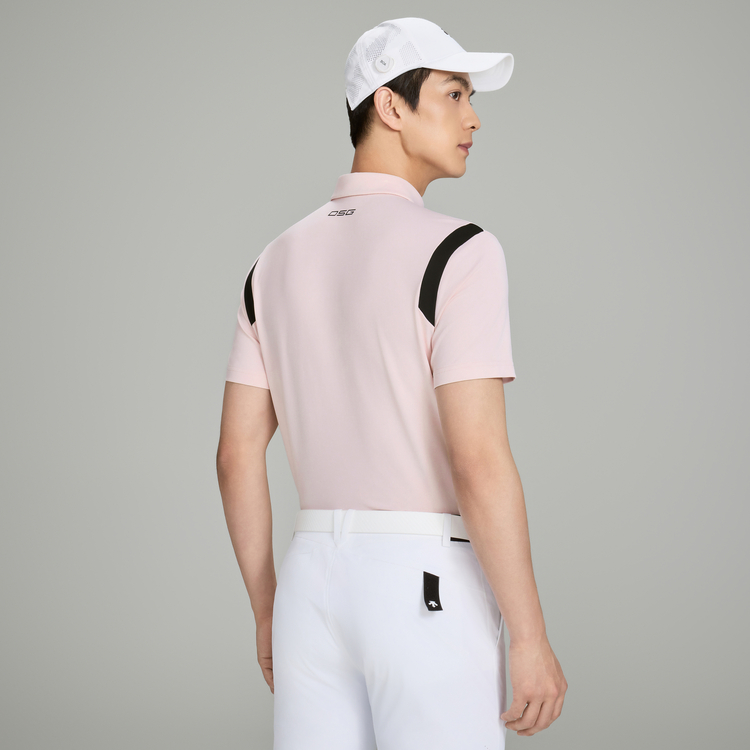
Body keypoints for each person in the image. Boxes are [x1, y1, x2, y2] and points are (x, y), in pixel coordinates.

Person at [216, 16, 567, 749]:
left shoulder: (270, 262)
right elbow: (478, 459)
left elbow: (235, 456)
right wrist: (529, 636)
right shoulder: (461, 251)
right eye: (454, 94)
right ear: (390, 106)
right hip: (422, 581)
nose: (473, 119)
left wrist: (267, 610)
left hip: (309, 582)